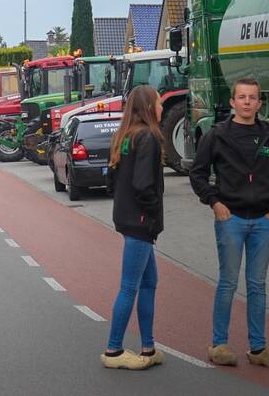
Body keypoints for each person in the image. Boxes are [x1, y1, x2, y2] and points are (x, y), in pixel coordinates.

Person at [190, 77, 269, 368]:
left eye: (253, 97)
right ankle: (219, 344)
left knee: (258, 285)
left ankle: (258, 348)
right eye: (242, 97)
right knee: (227, 283)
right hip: (231, 219)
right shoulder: (217, 135)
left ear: (259, 103)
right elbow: (198, 173)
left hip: (264, 221)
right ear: (232, 102)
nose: (248, 102)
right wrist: (215, 203)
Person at [100, 85, 165, 370]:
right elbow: (143, 184)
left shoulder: (123, 136)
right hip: (140, 221)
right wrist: (152, 217)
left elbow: (111, 181)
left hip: (126, 217)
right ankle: (114, 350)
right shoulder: (149, 138)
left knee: (149, 282)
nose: (162, 108)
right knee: (129, 286)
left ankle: (148, 347)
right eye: (159, 103)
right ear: (149, 107)